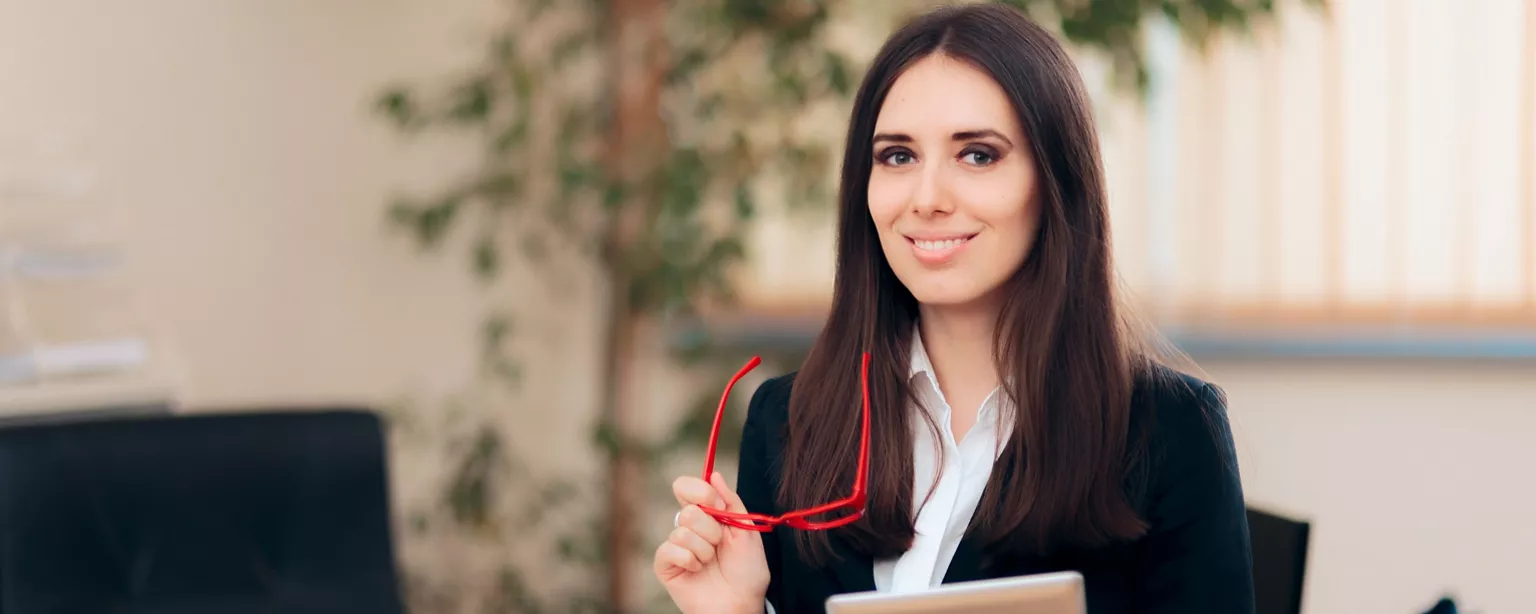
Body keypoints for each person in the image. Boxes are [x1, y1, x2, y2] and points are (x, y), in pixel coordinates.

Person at [652, 4, 1254, 613]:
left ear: (1055, 182)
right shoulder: (790, 423)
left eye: (977, 155)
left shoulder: (1170, 432)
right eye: (897, 156)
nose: (928, 198)